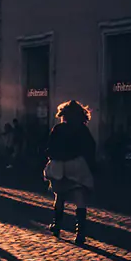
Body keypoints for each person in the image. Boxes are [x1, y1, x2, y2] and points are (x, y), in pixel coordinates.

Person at [45, 100, 98, 245]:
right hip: (77, 164)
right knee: (80, 197)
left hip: (60, 165)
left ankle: (57, 226)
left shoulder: (59, 128)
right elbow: (91, 147)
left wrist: (53, 157)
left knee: (59, 196)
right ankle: (80, 233)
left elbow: (50, 147)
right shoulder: (82, 129)